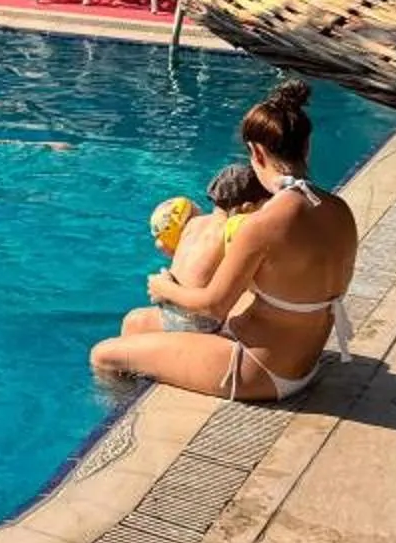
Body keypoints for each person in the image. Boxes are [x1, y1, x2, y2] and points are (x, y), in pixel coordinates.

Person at [91, 80, 359, 400]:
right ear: (307, 146)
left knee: (104, 355)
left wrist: (166, 289)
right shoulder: (337, 208)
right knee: (136, 327)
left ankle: (123, 408)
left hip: (260, 369)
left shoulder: (263, 225)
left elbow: (214, 307)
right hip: (304, 359)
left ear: (257, 153)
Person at [149, 161, 272, 334]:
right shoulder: (233, 230)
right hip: (198, 323)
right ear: (247, 209)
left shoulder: (193, 223)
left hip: (167, 312)